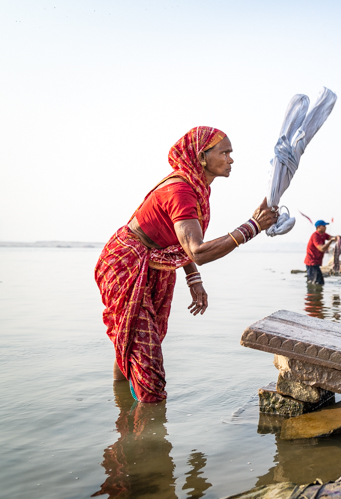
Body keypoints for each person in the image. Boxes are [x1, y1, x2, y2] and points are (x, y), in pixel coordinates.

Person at [95, 127, 278, 403]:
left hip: (154, 261)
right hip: (127, 263)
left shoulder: (197, 188)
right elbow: (197, 251)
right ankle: (147, 432)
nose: (231, 159)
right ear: (202, 157)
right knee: (146, 358)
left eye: (231, 153)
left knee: (136, 339)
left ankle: (122, 410)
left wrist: (195, 281)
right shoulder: (181, 191)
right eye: (224, 152)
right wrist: (252, 227)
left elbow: (180, 245)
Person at [305, 220, 339, 285]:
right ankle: (313, 294)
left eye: (325, 226)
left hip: (316, 262)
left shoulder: (323, 234)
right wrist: (331, 241)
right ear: (318, 227)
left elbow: (331, 237)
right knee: (316, 282)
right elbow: (322, 249)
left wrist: (337, 238)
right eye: (323, 226)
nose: (325, 227)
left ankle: (316, 294)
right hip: (311, 263)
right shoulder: (315, 236)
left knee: (318, 282)